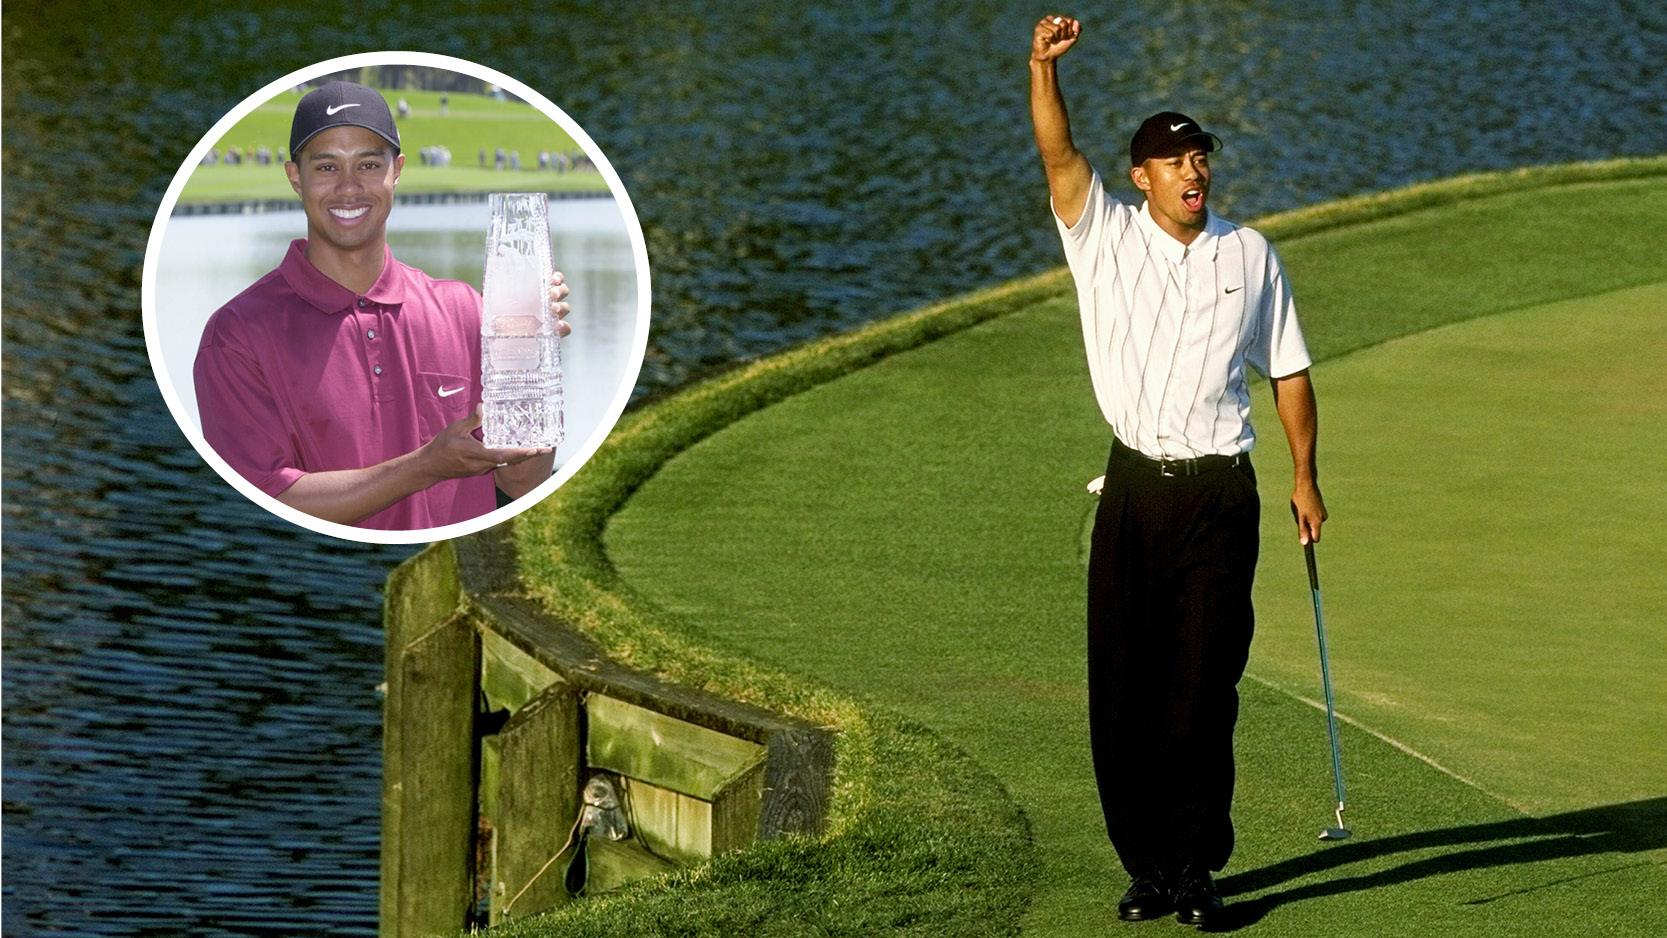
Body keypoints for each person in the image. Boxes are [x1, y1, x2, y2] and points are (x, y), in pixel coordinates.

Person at [1029, 15, 1327, 928]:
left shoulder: (1249, 254)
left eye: (1201, 158)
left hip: (1217, 493)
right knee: (1123, 688)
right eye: (1175, 161)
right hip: (1131, 492)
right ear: (1140, 177)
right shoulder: (1101, 236)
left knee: (1202, 685)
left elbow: (1288, 370)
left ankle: (1195, 869)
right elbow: (1056, 152)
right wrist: (1041, 68)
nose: (1193, 172)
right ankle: (1147, 869)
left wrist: (1305, 475)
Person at [194, 81, 567, 531]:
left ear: (398, 171)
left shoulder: (465, 309)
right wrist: (426, 465)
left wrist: (530, 357)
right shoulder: (237, 334)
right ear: (295, 177)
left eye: (369, 164)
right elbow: (265, 504)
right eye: (327, 166)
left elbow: (524, 481)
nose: (349, 187)